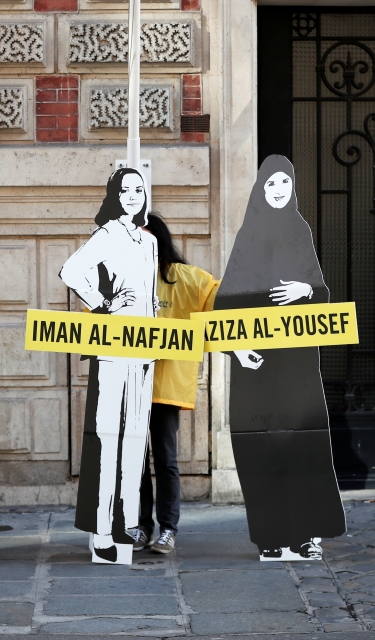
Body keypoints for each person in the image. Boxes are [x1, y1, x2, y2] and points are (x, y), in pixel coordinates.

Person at [215, 154, 346, 560]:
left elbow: (321, 293)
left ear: (292, 189)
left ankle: (306, 534)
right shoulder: (248, 235)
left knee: (302, 446)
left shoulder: (300, 231)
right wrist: (238, 348)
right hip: (256, 365)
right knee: (262, 448)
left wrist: (305, 292)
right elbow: (225, 304)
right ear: (260, 189)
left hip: (296, 365)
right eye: (270, 184)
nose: (277, 191)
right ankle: (270, 537)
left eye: (284, 185)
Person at [60, 167, 158, 564]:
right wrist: (101, 303)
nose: (133, 195)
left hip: (144, 349)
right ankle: (102, 528)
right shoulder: (107, 235)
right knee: (107, 438)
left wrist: (154, 339)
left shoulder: (149, 242)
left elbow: (151, 297)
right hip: (113, 345)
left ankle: (127, 521)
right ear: (115, 196)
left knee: (136, 438)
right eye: (126, 190)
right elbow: (71, 270)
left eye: (139, 189)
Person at [135, 214, 220, 555]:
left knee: (166, 460)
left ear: (159, 240)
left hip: (166, 386)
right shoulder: (119, 279)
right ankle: (142, 526)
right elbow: (91, 314)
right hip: (129, 384)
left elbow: (221, 300)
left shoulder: (185, 279)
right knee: (136, 462)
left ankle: (168, 528)